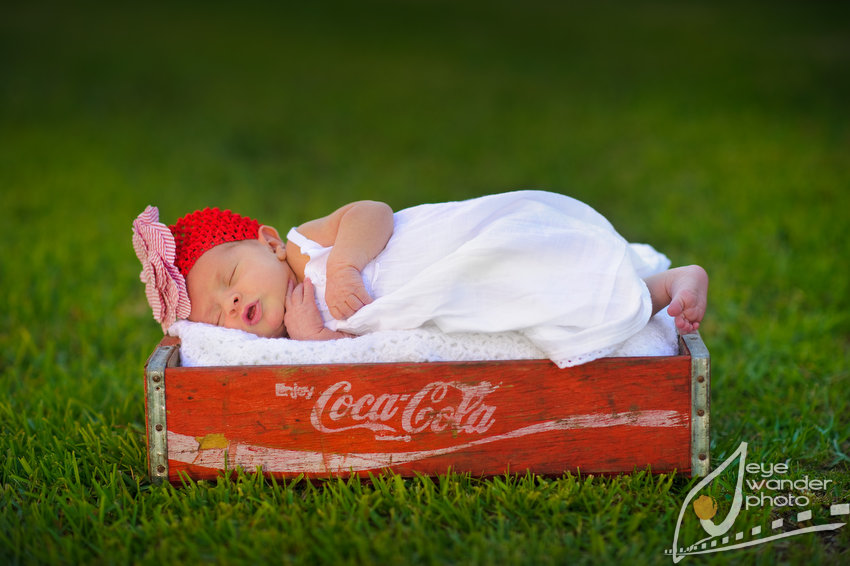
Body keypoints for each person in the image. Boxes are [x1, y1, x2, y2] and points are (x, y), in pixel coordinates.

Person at [133, 190, 707, 368]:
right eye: (215, 312)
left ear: (266, 241)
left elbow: (375, 213)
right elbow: (365, 359)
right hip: (455, 292)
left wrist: (347, 264)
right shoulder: (295, 339)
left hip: (447, 245)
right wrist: (312, 340)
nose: (231, 300)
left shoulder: (306, 247)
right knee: (533, 295)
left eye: (230, 276)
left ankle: (661, 279)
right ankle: (656, 291)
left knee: (525, 253)